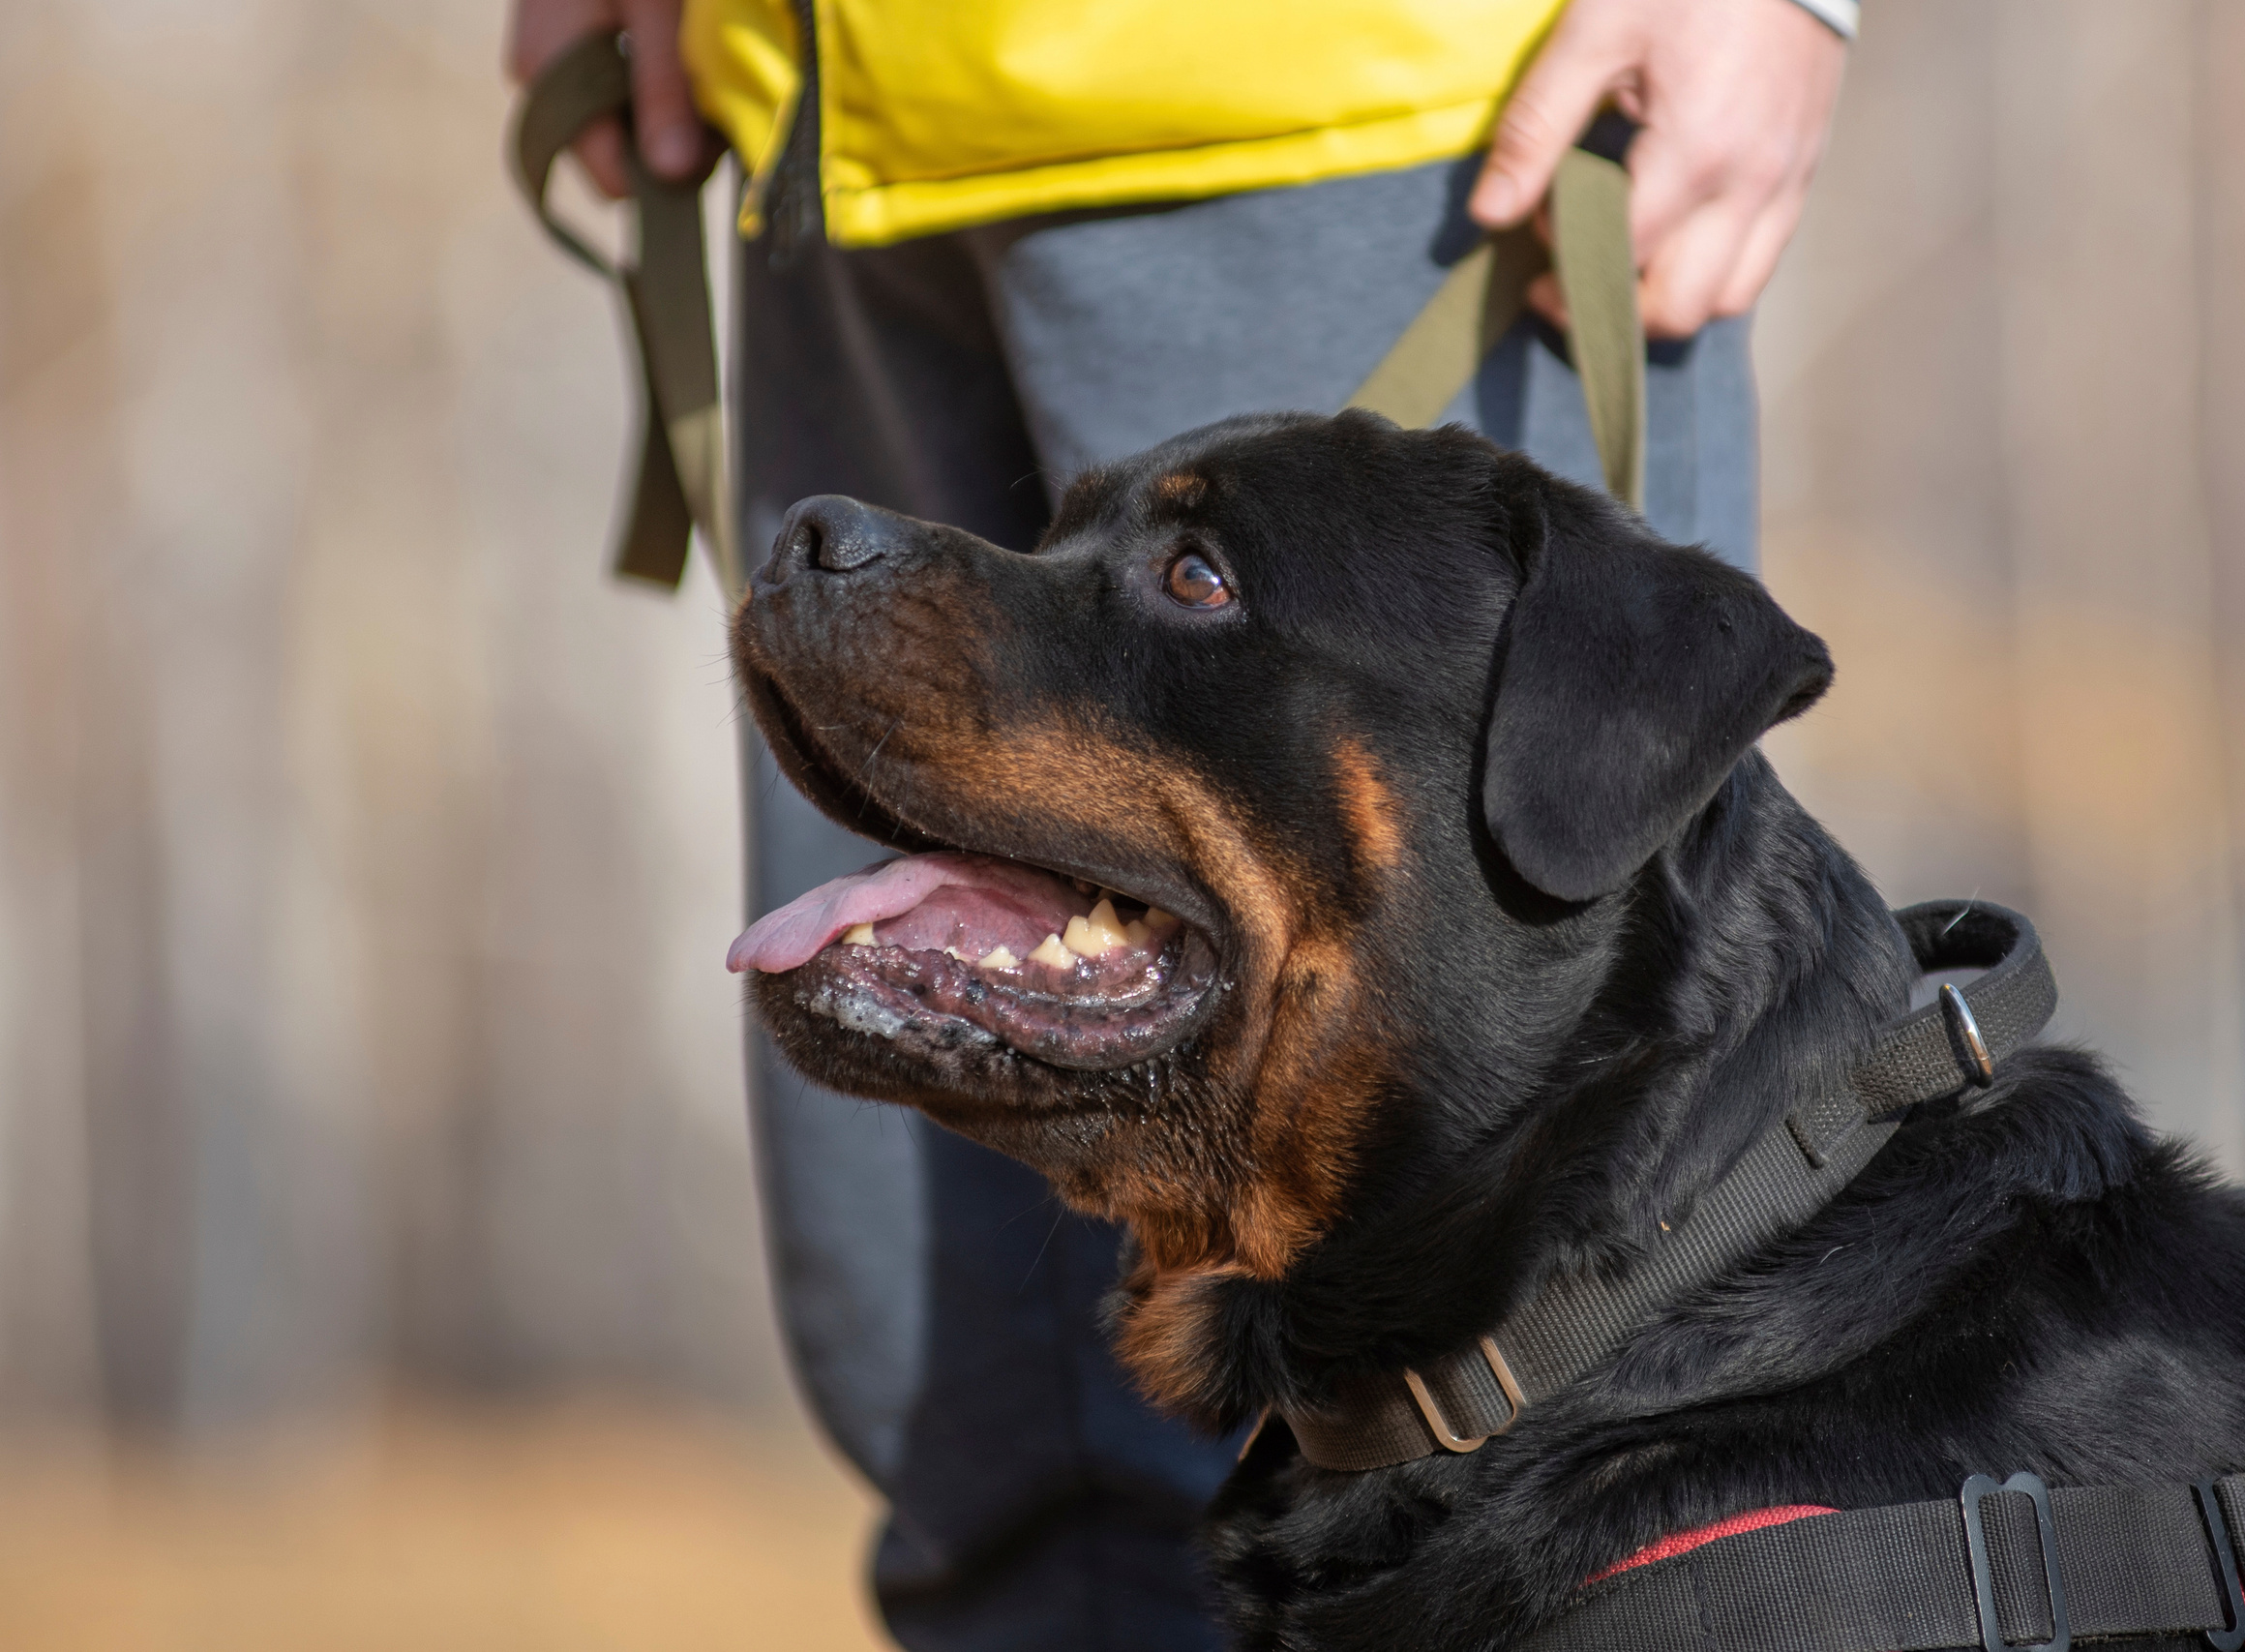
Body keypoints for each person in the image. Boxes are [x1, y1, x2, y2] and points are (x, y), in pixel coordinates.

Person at [507, 2, 1850, 1646]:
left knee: (1604, 1430)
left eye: (1191, 577)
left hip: (1380, 112)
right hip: (840, 143)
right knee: (977, 1440)